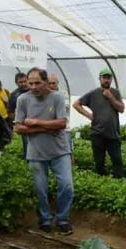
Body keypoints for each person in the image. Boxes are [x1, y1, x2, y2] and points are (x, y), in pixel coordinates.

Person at [14, 68, 73, 236]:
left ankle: (62, 219)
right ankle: (45, 219)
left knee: (67, 186)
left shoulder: (57, 98)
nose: (33, 86)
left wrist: (34, 122)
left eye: (37, 83)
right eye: (30, 83)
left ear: (46, 82)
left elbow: (61, 123)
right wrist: (47, 127)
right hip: (36, 153)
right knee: (40, 188)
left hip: (60, 151)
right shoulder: (22, 99)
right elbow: (18, 128)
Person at [73, 67, 125, 178]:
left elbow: (121, 109)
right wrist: (89, 115)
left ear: (111, 80)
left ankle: (118, 182)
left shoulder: (115, 93)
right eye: (104, 77)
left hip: (113, 134)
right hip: (97, 134)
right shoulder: (93, 93)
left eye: (108, 78)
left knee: (117, 160)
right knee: (99, 163)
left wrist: (111, 97)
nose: (106, 80)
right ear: (100, 79)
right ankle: (102, 182)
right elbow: (76, 104)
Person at [7, 72, 30, 159]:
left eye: (25, 81)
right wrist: (18, 121)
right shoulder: (14, 95)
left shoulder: (34, 91)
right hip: (24, 125)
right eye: (21, 82)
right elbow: (10, 111)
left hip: (38, 121)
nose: (23, 84)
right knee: (27, 144)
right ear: (16, 83)